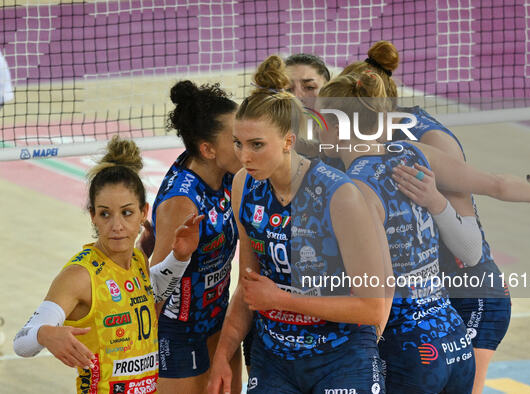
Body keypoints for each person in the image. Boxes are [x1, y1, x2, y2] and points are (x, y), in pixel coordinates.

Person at [316, 71, 530, 393]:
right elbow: (497, 184)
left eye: (317, 119)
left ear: (334, 125)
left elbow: (381, 287)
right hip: (451, 333)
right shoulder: (415, 153)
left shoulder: (354, 190)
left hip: (408, 347)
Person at [208, 55, 392, 394]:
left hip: (341, 359)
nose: (244, 156)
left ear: (288, 141)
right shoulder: (242, 185)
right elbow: (249, 289)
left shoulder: (340, 195)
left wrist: (281, 299)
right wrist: (223, 354)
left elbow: (372, 306)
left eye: (257, 145)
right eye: (239, 143)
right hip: (274, 358)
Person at [13, 136, 202, 393]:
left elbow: (147, 292)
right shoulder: (80, 275)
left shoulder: (137, 259)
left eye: (126, 213)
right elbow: (21, 343)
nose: (117, 226)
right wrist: (44, 334)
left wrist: (179, 258)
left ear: (143, 212)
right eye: (105, 214)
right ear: (93, 216)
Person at [150, 81, 243, 393]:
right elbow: (156, 286)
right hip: (178, 332)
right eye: (236, 139)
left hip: (219, 320)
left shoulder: (230, 175)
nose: (245, 143)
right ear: (208, 149)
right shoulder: (182, 202)